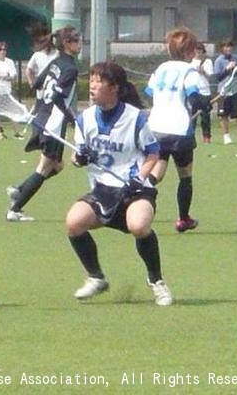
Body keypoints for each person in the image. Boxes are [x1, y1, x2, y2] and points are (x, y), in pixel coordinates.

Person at [66, 61, 172, 306]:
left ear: (114, 88)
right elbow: (76, 156)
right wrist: (79, 158)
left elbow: (153, 154)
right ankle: (96, 277)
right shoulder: (85, 119)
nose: (91, 86)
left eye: (98, 81)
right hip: (102, 190)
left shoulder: (134, 118)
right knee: (73, 223)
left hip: (134, 190)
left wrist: (140, 178)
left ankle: (156, 281)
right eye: (90, 80)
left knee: (139, 225)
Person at [6, 26, 82, 222]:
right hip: (53, 123)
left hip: (41, 117)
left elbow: (38, 83)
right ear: (67, 44)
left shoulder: (55, 62)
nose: (80, 43)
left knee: (57, 166)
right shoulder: (70, 68)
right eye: (76, 39)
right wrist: (72, 119)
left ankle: (20, 189)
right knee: (45, 168)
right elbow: (58, 97)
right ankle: (15, 208)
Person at [146, 27, 206, 233]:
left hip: (156, 127)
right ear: (189, 52)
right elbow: (194, 98)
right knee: (185, 175)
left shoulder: (160, 68)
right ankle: (183, 219)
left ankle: (137, 197)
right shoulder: (190, 71)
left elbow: (149, 91)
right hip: (180, 130)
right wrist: (203, 104)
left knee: (157, 171)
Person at [0, 41, 22, 140]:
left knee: (12, 112)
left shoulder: (10, 62)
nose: (3, 51)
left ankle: (17, 133)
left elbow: (13, 76)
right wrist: (5, 75)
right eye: (1, 50)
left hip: (7, 91)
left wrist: (5, 76)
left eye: (4, 50)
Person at [190, 42, 214, 143]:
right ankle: (190, 136)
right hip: (193, 90)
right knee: (192, 115)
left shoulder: (207, 61)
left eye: (200, 50)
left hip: (204, 91)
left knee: (205, 116)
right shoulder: (190, 61)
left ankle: (206, 137)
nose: (198, 52)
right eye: (196, 49)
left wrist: (202, 71)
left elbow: (210, 76)